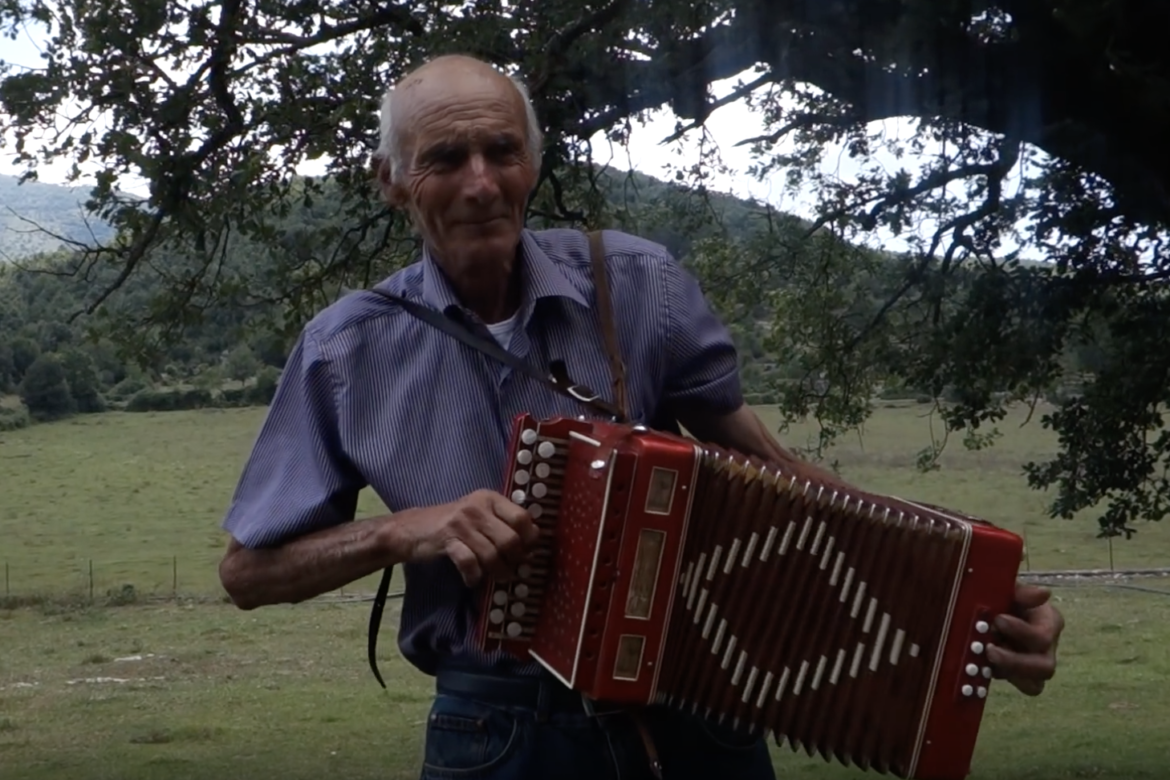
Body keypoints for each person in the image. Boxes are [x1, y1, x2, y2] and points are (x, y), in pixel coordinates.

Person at [217, 54, 1064, 780]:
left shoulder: (636, 284)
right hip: (499, 730)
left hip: (700, 711)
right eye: (445, 157)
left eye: (502, 151)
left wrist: (963, 601)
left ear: (532, 165)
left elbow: (777, 475)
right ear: (393, 181)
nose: (481, 183)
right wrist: (403, 532)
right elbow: (246, 574)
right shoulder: (346, 349)